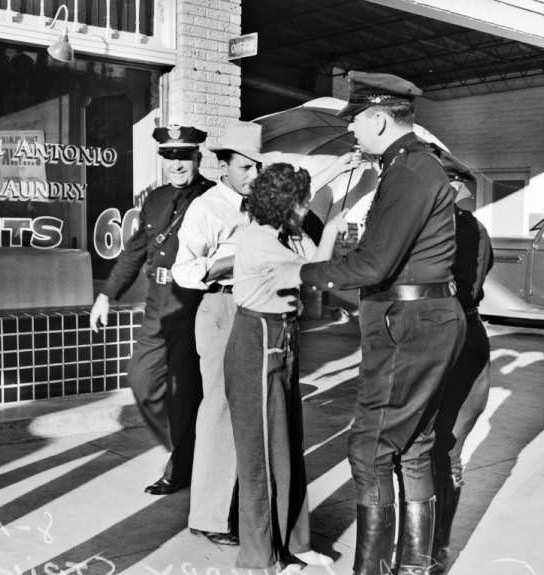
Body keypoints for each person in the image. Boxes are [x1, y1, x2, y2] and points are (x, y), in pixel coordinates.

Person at [263, 70, 466, 575]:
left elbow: (374, 265)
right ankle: (415, 566)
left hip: (408, 324)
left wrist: (301, 270)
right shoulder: (411, 168)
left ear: (377, 118)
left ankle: (372, 570)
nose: (351, 131)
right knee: (414, 446)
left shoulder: (408, 172)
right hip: (425, 318)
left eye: (355, 122)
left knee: (369, 447)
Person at [225, 163, 346, 572]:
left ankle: (296, 544)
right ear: (286, 205)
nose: (306, 207)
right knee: (258, 454)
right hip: (256, 342)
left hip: (281, 340)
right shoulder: (258, 239)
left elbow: (309, 257)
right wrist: (329, 232)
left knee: (287, 447)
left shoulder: (280, 234)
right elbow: (317, 273)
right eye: (301, 202)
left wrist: (338, 170)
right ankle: (259, 558)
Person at [89, 125, 214, 496]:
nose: (176, 165)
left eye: (183, 157)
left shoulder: (211, 198)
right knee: (142, 381)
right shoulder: (156, 199)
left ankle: (182, 465)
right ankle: (190, 448)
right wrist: (107, 295)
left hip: (192, 304)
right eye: (169, 157)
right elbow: (135, 250)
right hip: (158, 302)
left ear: (198, 158)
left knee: (184, 392)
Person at [171, 120, 263, 546]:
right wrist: (229, 261)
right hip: (220, 307)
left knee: (251, 409)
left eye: (259, 168)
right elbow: (185, 270)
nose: (253, 177)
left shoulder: (258, 205)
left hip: (256, 306)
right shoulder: (207, 208)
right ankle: (208, 516)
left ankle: (242, 508)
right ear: (223, 165)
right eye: (245, 168)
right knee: (220, 407)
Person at [430, 181, 494, 573]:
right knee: (448, 454)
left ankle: (429, 549)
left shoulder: (442, 229)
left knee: (435, 451)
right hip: (471, 334)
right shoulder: (476, 227)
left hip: (448, 338)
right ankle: (436, 549)